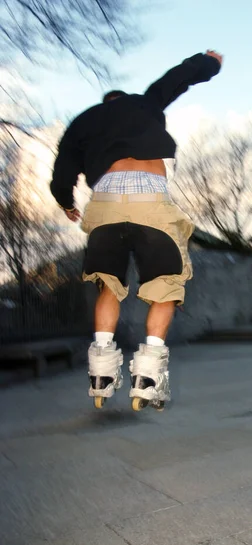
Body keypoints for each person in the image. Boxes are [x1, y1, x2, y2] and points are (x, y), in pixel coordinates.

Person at [50, 50, 223, 411]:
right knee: (164, 288)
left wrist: (67, 203)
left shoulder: (83, 122)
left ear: (103, 104)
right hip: (150, 197)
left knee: (109, 285)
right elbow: (177, 78)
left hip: (106, 200)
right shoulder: (144, 103)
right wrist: (208, 62)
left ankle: (101, 374)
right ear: (123, 100)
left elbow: (63, 170)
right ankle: (147, 381)